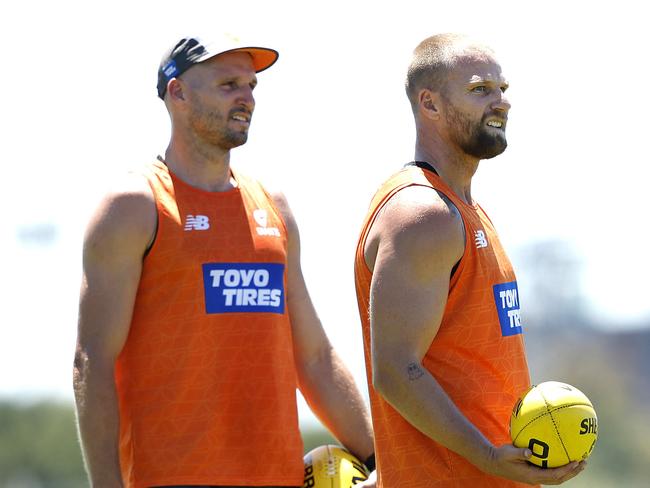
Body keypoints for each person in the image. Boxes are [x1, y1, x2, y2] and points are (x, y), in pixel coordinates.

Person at [73, 36, 375, 488]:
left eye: (252, 86)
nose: (247, 98)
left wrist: (381, 459)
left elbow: (313, 357)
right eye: (229, 84)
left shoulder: (273, 208)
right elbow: (91, 363)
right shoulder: (133, 207)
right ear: (178, 93)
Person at [353, 33, 586, 487]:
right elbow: (396, 370)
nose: (501, 103)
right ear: (430, 104)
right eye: (481, 90)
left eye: (503, 90)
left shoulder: (464, 209)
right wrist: (486, 456)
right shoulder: (421, 213)